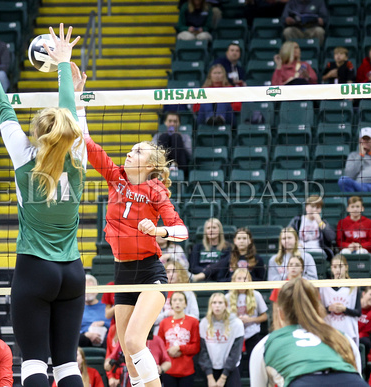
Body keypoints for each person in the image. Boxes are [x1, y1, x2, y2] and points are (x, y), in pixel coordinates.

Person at [0, 23, 87, 387]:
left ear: (38, 132)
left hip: (34, 270)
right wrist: (65, 65)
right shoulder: (79, 154)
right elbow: (69, 113)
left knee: (32, 366)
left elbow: (1, 105)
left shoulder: (23, 157)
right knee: (67, 367)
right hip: (73, 272)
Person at [85, 48, 189, 387]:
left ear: (150, 165)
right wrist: (76, 98)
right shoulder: (116, 178)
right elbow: (86, 142)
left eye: (138, 150)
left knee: (133, 341)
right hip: (121, 272)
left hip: (150, 272)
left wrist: (159, 230)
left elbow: (182, 231)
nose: (131, 151)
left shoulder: (156, 190)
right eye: (130, 149)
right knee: (128, 353)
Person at [250, 278, 366, 387]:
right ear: (318, 309)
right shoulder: (342, 337)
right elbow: (356, 375)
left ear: (280, 314)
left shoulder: (266, 343)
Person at [199, 293, 244, 387]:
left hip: (230, 370)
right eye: (214, 302)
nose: (217, 305)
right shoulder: (204, 323)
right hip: (211, 370)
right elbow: (203, 351)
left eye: (220, 302)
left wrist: (223, 377)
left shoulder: (236, 323)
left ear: (226, 305)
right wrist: (210, 377)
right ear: (210, 305)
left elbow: (235, 353)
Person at [227, 269, 268, 373]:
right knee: (236, 366)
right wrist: (236, 321)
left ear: (249, 280)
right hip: (234, 335)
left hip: (252, 334)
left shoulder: (256, 295)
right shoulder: (227, 297)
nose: (242, 281)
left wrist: (250, 319)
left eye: (245, 279)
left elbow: (264, 316)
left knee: (254, 364)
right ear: (234, 280)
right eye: (239, 278)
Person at [157, 292, 200, 387]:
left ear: (185, 304)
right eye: (175, 300)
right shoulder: (164, 323)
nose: (177, 303)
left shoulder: (193, 322)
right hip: (168, 368)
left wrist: (180, 348)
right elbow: (159, 346)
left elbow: (196, 346)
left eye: (180, 300)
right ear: (170, 304)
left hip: (187, 369)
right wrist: (169, 350)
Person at [320, 255, 361, 345]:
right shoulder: (323, 286)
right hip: (329, 329)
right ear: (331, 268)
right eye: (335, 267)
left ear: (346, 267)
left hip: (347, 330)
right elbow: (318, 311)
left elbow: (358, 312)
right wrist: (329, 308)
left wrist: (344, 309)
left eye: (340, 266)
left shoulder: (353, 287)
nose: (337, 270)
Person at [154, 261, 199, 335]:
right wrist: (167, 314)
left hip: (184, 330)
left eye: (174, 271)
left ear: (180, 274)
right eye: (168, 272)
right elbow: (154, 320)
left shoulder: (188, 293)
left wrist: (180, 315)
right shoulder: (159, 293)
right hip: (163, 330)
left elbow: (195, 316)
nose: (171, 274)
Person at [288, 195, 335, 259]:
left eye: (318, 208)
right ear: (306, 207)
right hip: (300, 248)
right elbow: (288, 234)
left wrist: (320, 222)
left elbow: (331, 237)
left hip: (317, 249)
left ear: (320, 210)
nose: (314, 210)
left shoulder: (323, 222)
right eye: (312, 206)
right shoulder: (297, 220)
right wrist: (295, 244)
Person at [189, 218, 232, 282]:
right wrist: (207, 271)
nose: (211, 230)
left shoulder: (228, 247)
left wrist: (207, 272)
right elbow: (193, 267)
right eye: (208, 228)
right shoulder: (197, 247)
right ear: (205, 231)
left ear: (220, 230)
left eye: (214, 228)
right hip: (201, 280)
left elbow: (224, 267)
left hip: (219, 280)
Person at [152, 112, 191, 177]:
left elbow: (189, 154)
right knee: (164, 137)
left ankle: (174, 165)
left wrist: (180, 141)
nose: (172, 124)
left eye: (175, 121)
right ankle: (164, 166)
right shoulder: (158, 136)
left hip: (181, 164)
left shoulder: (185, 136)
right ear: (165, 122)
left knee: (176, 137)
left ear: (179, 123)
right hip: (161, 163)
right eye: (170, 121)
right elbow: (153, 152)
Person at [79, 274, 111, 348]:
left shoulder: (106, 306)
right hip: (83, 339)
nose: (88, 293)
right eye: (85, 289)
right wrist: (85, 334)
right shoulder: (76, 309)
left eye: (91, 289)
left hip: (105, 339)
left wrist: (104, 323)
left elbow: (114, 325)